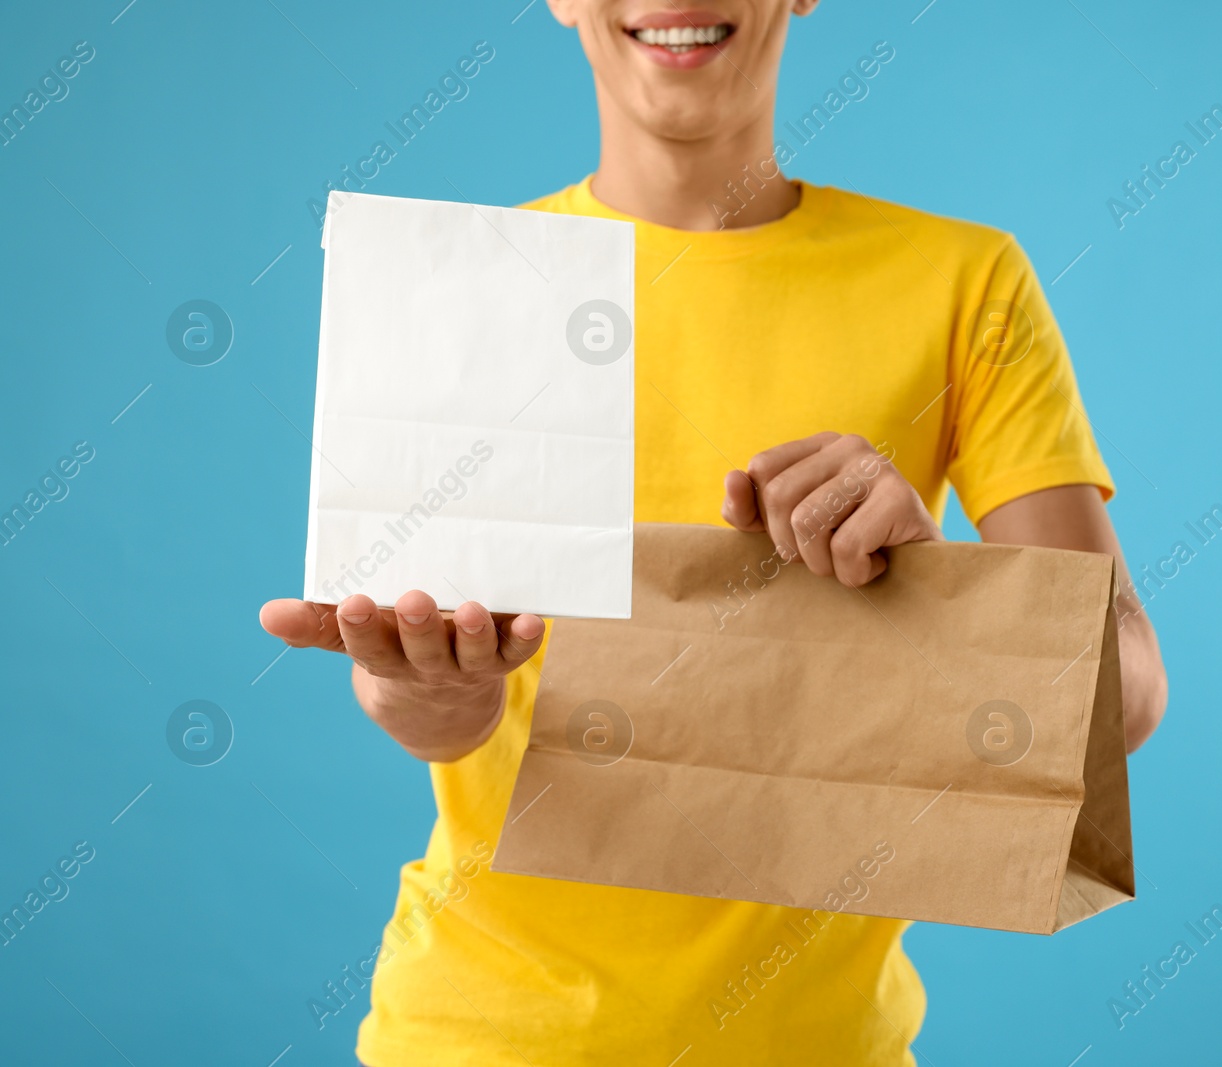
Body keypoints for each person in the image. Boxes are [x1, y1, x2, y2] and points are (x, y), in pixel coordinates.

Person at [260, 1, 1168, 1063]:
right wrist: (432, 687)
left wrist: (941, 592)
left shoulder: (963, 284)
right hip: (480, 1034)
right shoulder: (462, 297)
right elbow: (432, 708)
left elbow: (1127, 687)